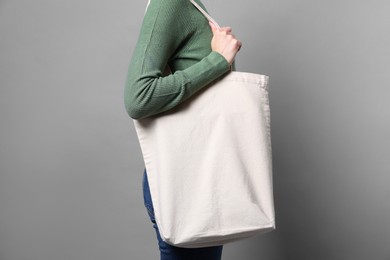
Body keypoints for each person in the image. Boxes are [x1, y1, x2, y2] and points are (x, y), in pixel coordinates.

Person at [124, 0, 242, 259]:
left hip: (201, 176)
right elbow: (138, 97)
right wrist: (218, 60)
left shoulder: (189, 4)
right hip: (186, 182)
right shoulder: (170, 3)